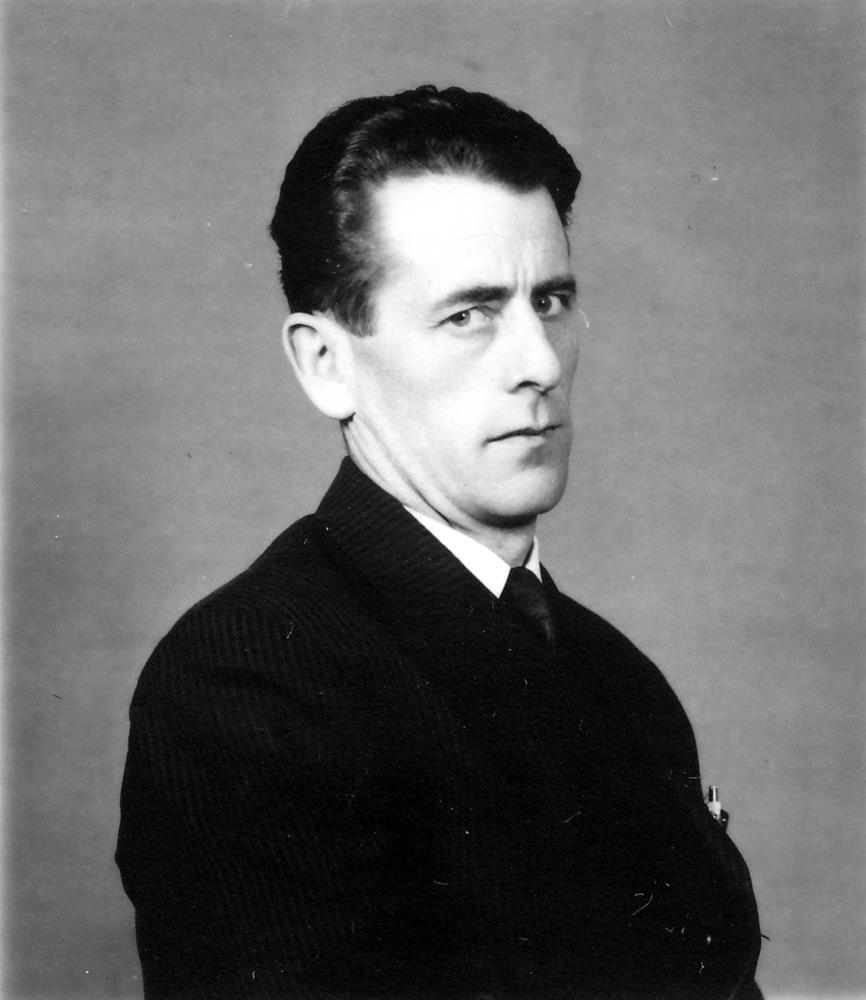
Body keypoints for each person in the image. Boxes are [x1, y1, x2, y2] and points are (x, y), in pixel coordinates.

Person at [116, 85, 763, 999]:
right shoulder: (250, 680)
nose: (540, 362)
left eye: (552, 300)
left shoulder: (617, 675)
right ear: (326, 363)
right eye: (469, 314)